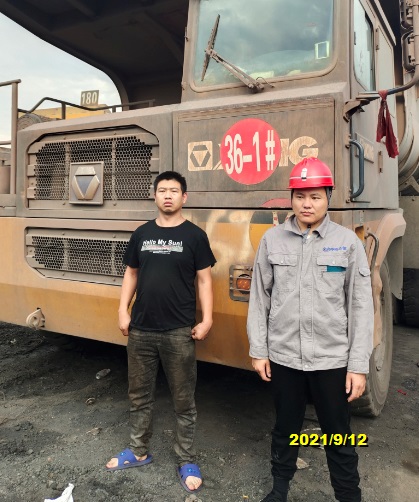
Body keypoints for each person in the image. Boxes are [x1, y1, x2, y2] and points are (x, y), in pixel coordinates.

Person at [247, 157, 373, 502]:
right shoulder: (272, 240)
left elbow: (360, 307)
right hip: (285, 356)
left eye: (315, 196)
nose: (307, 204)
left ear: (328, 197)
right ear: (291, 197)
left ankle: (348, 495)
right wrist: (259, 350)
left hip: (331, 359)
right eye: (300, 196)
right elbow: (259, 299)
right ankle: (279, 490)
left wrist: (358, 365)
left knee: (338, 434)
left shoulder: (347, 243)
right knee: (285, 428)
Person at [106, 171, 216, 494]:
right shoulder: (142, 234)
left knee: (184, 401)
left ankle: (186, 459)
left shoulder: (195, 236)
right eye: (162, 190)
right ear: (154, 196)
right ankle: (138, 450)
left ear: (184, 197)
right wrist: (122, 310)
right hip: (141, 330)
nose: (168, 195)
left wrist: (207, 319)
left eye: (174, 191)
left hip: (179, 332)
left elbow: (205, 280)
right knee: (139, 396)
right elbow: (131, 273)